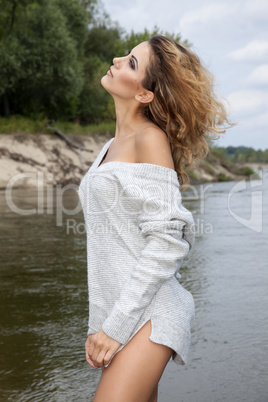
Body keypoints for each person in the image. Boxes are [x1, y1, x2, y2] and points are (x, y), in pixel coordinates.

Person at [78, 34, 230, 402]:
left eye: (131, 62)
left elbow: (166, 241)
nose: (116, 59)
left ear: (145, 93)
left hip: (151, 314)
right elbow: (114, 247)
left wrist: (113, 328)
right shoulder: (109, 147)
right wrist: (102, 324)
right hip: (127, 316)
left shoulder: (150, 139)